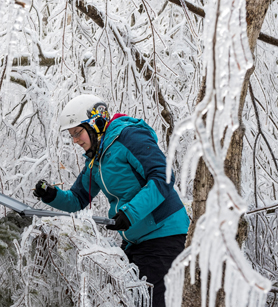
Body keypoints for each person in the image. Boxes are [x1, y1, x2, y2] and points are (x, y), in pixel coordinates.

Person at [33, 94, 190, 306]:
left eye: (78, 133)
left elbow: (164, 176)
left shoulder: (129, 137)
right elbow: (78, 199)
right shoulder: (96, 160)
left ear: (96, 124)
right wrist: (51, 195)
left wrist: (130, 213)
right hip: (136, 242)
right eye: (72, 136)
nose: (75, 141)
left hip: (164, 236)